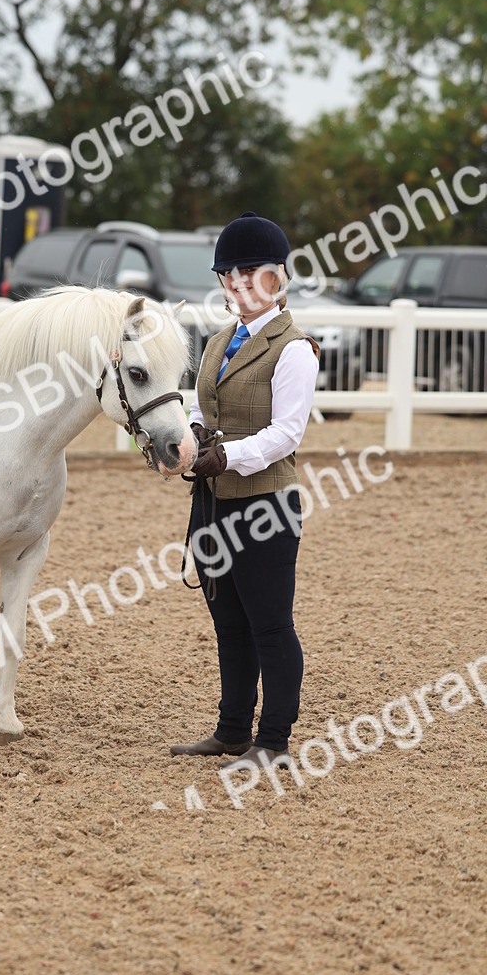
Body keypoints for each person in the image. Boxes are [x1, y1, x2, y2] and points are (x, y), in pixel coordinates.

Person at [170, 211, 320, 770]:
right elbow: (196, 405)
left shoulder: (294, 348)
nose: (236, 286)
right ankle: (232, 731)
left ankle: (275, 740)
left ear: (278, 276)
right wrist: (185, 442)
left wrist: (225, 455)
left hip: (266, 507)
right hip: (212, 504)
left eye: (249, 273)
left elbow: (287, 434)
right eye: (227, 276)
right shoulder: (216, 342)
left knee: (270, 625)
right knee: (229, 624)